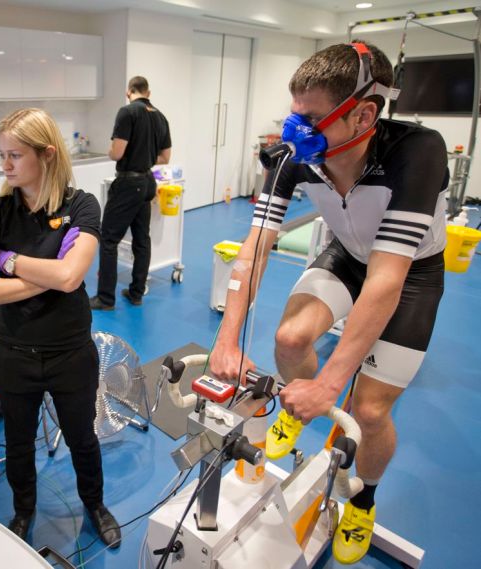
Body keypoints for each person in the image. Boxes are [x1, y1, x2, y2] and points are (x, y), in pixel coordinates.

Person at [209, 42, 448, 564]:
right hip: (347, 254)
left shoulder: (417, 152)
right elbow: (256, 248)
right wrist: (225, 340)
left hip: (409, 274)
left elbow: (386, 280)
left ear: (363, 113)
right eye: (294, 114)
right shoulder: (292, 157)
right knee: (290, 338)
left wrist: (329, 384)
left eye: (312, 118)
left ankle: (364, 498)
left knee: (367, 409)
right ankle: (297, 409)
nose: (296, 130)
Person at [0, 108, 121, 547]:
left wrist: (10, 262)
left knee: (82, 439)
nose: (5, 165)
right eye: (1, 155)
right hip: (13, 352)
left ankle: (94, 503)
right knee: (18, 443)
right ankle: (23, 511)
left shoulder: (82, 205)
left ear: (47, 154)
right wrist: (48, 274)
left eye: (15, 155)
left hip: (70, 352)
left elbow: (72, 279)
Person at [90, 76, 171, 310]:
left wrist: (116, 150)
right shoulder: (160, 116)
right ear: (149, 92)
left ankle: (105, 298)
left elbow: (116, 153)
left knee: (108, 239)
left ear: (129, 92)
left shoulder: (127, 113)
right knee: (141, 239)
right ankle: (136, 293)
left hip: (128, 184)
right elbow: (165, 157)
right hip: (147, 182)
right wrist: (144, 157)